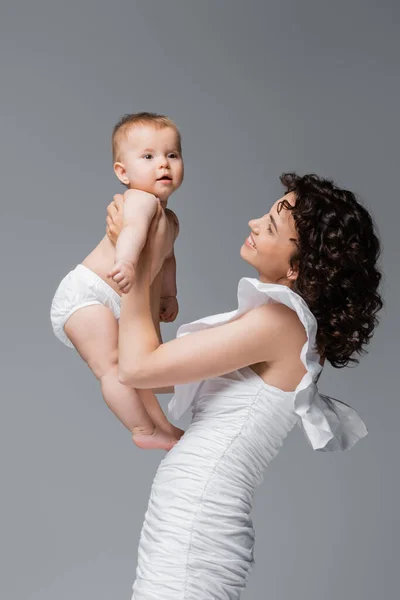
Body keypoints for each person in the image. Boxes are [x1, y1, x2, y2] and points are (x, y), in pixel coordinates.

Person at [106, 172, 383, 599]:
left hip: (199, 515)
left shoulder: (281, 322)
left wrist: (137, 252)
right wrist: (148, 259)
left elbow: (139, 367)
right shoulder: (283, 323)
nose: (254, 223)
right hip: (194, 510)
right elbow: (157, 373)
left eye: (271, 225)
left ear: (296, 267)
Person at [50, 112, 184, 450]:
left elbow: (167, 259)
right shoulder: (140, 201)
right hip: (88, 293)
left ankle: (161, 426)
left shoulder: (171, 219)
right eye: (149, 156)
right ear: (122, 172)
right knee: (112, 366)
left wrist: (169, 294)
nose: (163, 165)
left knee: (134, 369)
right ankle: (143, 429)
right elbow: (132, 232)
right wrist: (125, 262)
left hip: (118, 298)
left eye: (172, 155)